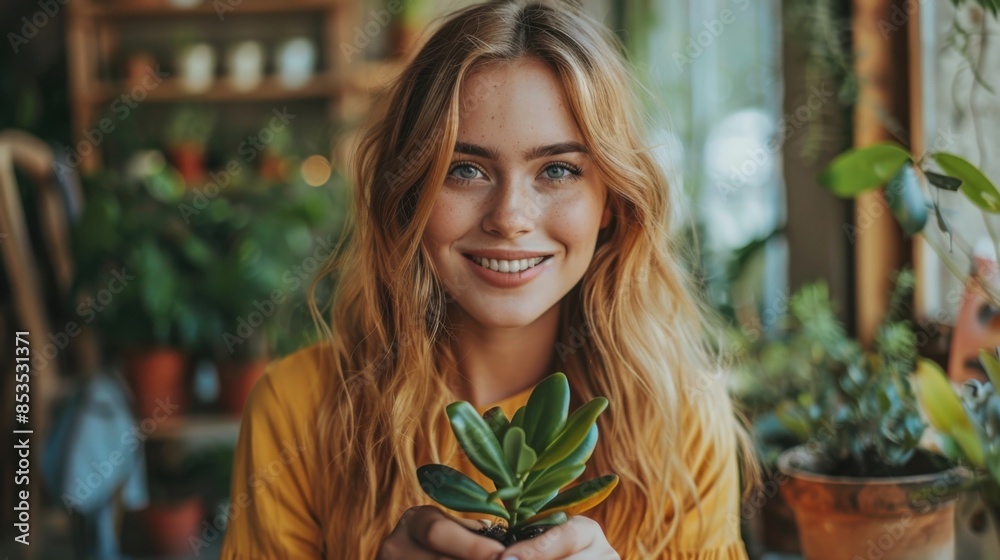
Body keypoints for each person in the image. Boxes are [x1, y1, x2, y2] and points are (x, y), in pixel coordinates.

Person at [220, 1, 756, 558]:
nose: (509, 217)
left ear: (611, 203)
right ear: (408, 197)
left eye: (557, 170)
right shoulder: (298, 408)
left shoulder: (681, 419)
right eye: (464, 169)